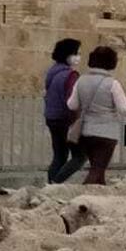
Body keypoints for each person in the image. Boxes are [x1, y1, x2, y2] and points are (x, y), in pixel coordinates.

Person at [69, 45, 126, 186]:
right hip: (106, 134)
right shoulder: (112, 84)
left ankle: (100, 195)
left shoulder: (80, 81)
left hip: (85, 132)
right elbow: (124, 109)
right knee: (97, 170)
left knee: (97, 170)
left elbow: (72, 105)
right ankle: (82, 195)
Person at [43, 38, 84, 184]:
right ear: (67, 54)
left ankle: (49, 186)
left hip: (52, 117)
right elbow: (72, 101)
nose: (78, 57)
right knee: (80, 156)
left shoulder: (52, 72)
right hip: (65, 119)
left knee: (59, 156)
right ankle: (56, 183)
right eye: (76, 53)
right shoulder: (70, 75)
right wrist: (76, 121)